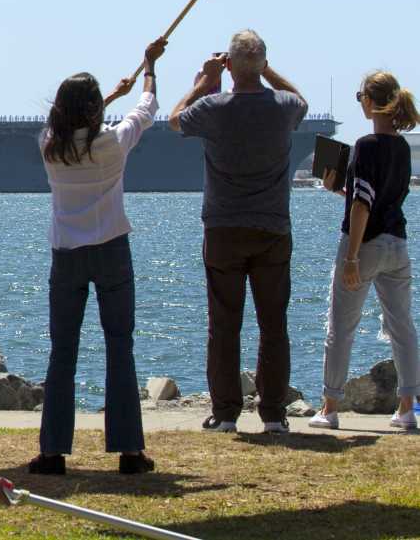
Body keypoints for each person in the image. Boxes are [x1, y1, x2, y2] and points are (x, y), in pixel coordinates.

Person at [29, 38, 166, 476]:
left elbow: (66, 124)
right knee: (119, 348)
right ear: (94, 110)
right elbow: (148, 107)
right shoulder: (113, 142)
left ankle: (52, 453)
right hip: (111, 251)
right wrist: (149, 67)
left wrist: (108, 97)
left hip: (66, 256)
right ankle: (129, 452)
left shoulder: (50, 145)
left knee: (62, 353)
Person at [169, 29, 307, 433]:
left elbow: (175, 120)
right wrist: (265, 69)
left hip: (224, 230)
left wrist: (203, 82)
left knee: (224, 324)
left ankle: (226, 414)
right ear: (262, 64)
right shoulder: (282, 107)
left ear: (229, 65)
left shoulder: (213, 107)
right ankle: (275, 415)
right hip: (272, 229)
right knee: (273, 324)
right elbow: (300, 98)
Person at [309, 71, 418, 431]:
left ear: (371, 102)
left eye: (360, 97)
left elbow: (362, 205)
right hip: (397, 244)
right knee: (402, 327)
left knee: (340, 328)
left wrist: (352, 257)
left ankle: (329, 406)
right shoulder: (402, 147)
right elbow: (374, 196)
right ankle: (406, 408)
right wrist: (340, 188)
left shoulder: (366, 145)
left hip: (366, 243)